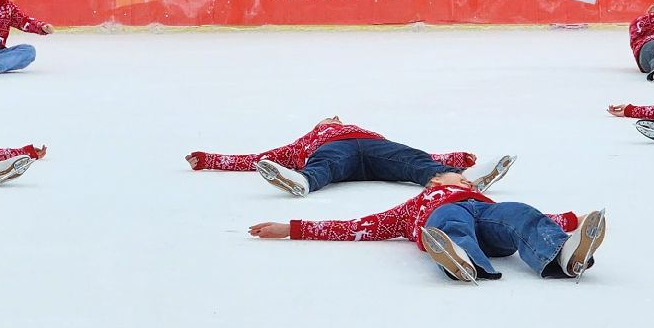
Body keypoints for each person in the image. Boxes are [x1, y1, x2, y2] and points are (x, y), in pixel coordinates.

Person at [249, 183, 606, 284]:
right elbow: (354, 227)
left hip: (486, 221)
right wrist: (290, 229)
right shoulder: (413, 208)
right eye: (459, 177)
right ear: (436, 181)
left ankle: (562, 256)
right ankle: (461, 257)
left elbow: (528, 219)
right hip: (446, 221)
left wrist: (575, 218)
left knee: (517, 210)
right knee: (449, 217)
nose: (466, 180)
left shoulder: (479, 197)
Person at [186, 115, 514, 197]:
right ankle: (301, 181)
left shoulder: (368, 132)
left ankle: (461, 179)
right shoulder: (306, 142)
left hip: (376, 150)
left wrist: (456, 157)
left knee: (414, 162)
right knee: (325, 166)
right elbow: (257, 158)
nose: (336, 118)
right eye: (330, 118)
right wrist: (209, 159)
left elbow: (414, 154)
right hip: (336, 153)